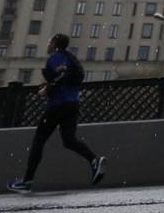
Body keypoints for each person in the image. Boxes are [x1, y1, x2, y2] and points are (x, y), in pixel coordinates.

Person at [6, 33, 105, 194]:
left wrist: (48, 89)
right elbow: (67, 77)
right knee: (69, 140)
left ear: (55, 44)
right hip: (73, 105)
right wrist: (50, 84)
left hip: (58, 105)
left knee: (39, 140)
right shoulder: (71, 58)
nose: (48, 44)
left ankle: (27, 181)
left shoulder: (57, 58)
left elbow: (61, 75)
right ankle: (94, 161)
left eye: (50, 41)